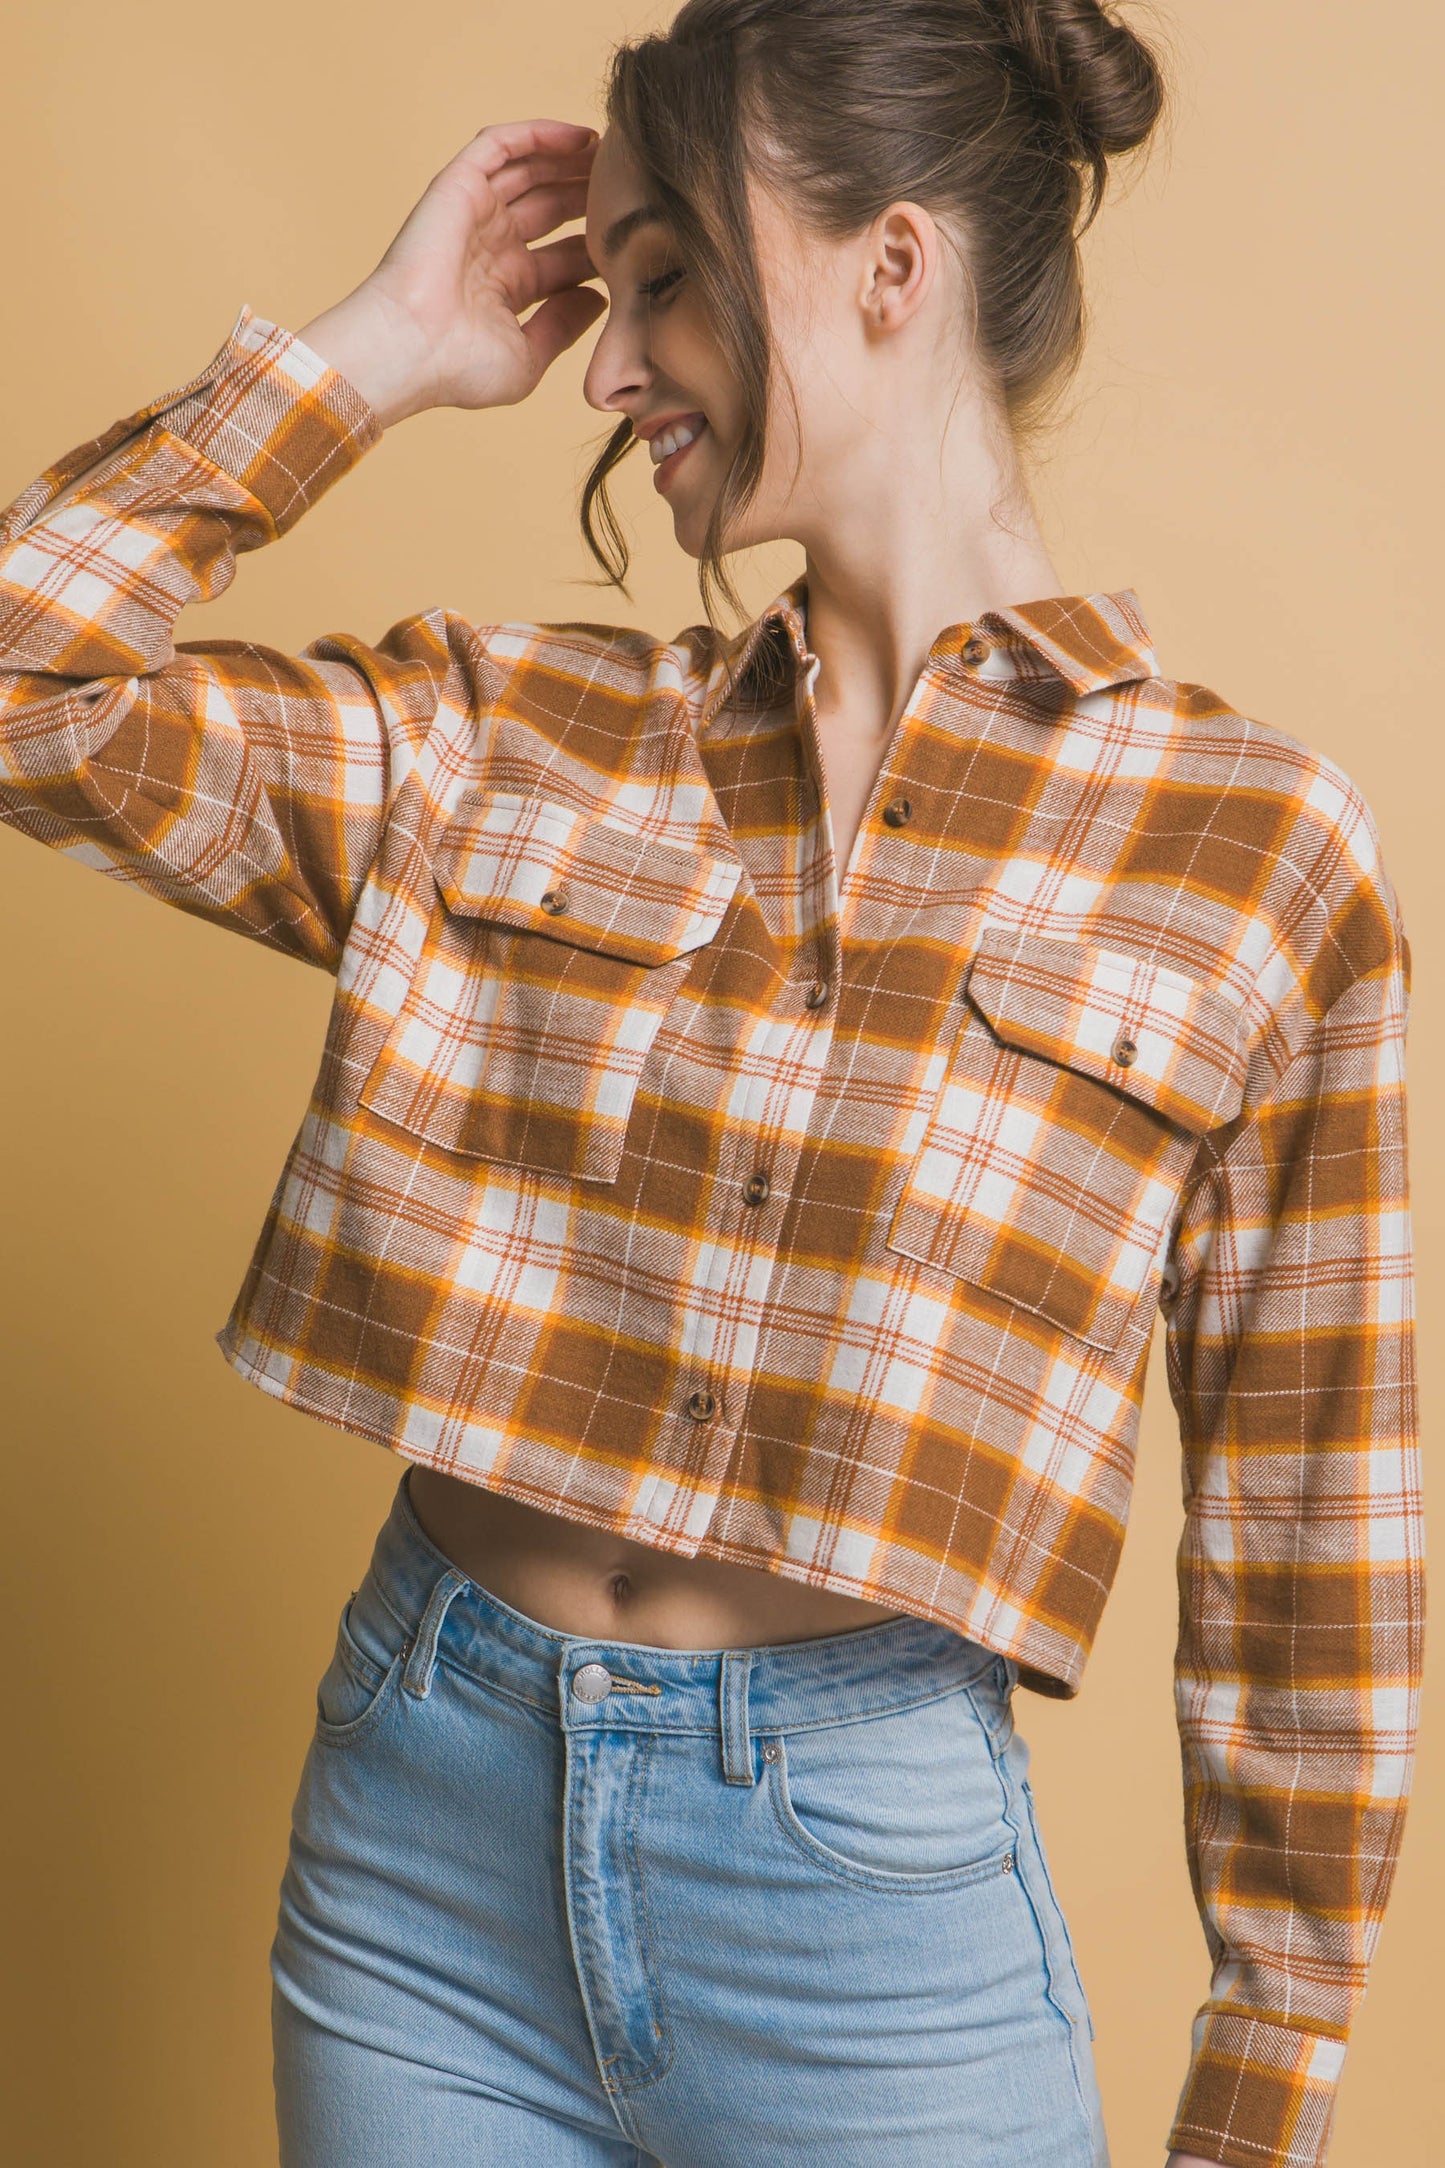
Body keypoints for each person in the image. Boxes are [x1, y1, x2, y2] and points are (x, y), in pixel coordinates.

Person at [0, 2, 1423, 2165]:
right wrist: (373, 352)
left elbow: (1313, 1516)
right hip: (424, 1838)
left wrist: (1270, 2066)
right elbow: (29, 687)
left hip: (866, 1905)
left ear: (891, 268)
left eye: (667, 275)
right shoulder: (511, 732)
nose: (602, 361)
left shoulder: (1249, 850)